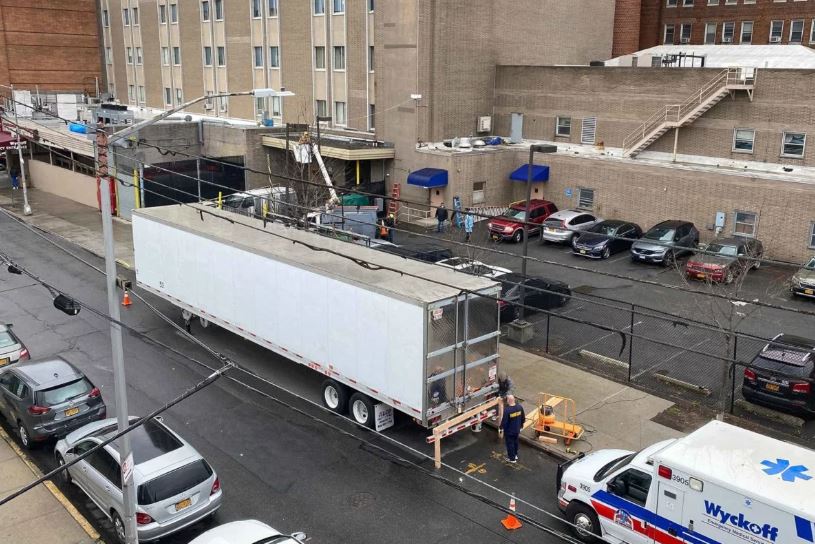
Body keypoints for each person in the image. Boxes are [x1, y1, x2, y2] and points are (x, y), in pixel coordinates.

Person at [500, 394, 525, 463]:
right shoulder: (520, 407)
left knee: (510, 444)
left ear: (508, 401)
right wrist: (521, 426)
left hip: (509, 431)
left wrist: (501, 428)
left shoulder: (507, 410)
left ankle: (512, 459)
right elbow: (523, 418)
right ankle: (515, 455)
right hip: (517, 430)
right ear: (514, 400)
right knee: (515, 442)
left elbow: (504, 421)